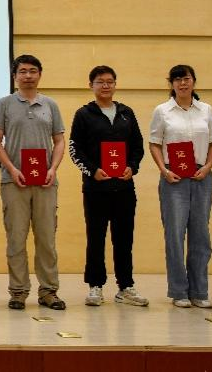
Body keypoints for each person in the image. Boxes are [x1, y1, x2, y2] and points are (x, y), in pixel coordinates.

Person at [0, 54, 66, 310]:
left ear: (40, 74)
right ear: (15, 76)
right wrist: (12, 169)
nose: (28, 75)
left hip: (45, 182)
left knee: (46, 239)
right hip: (14, 182)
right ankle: (18, 291)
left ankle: (49, 291)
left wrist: (53, 168)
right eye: (22, 71)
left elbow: (59, 141)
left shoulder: (50, 105)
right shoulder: (4, 104)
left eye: (33, 71)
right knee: (16, 238)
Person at [68, 65, 147, 308]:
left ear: (115, 84)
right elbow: (75, 149)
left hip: (124, 188)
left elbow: (138, 146)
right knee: (96, 238)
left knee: (124, 239)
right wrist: (93, 171)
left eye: (110, 81)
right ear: (91, 85)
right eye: (100, 82)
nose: (105, 85)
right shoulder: (84, 114)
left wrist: (132, 167)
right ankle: (95, 286)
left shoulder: (126, 113)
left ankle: (126, 286)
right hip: (95, 189)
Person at [148, 64, 212, 309]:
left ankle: (199, 291)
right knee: (175, 235)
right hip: (173, 178)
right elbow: (155, 143)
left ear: (193, 81)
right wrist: (164, 170)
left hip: (201, 176)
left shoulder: (206, 110)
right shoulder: (162, 111)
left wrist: (207, 167)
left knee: (201, 234)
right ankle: (179, 291)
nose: (182, 83)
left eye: (186, 78)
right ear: (171, 84)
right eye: (177, 79)